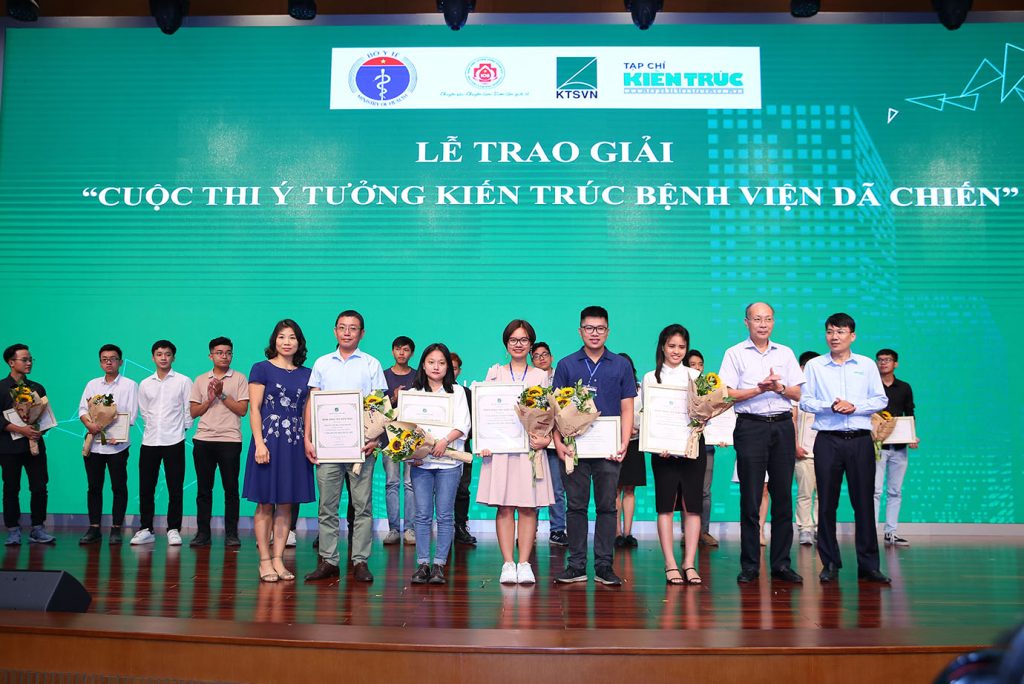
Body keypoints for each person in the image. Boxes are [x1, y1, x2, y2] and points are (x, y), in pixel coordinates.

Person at [800, 313, 891, 584]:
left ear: (852, 336)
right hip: (828, 439)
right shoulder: (815, 366)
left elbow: (881, 399)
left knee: (863, 503)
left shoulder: (866, 365)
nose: (834, 337)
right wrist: (829, 406)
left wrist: (855, 406)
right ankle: (829, 562)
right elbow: (805, 401)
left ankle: (869, 565)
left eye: (840, 332)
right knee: (827, 503)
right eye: (830, 331)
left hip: (860, 440)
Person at [719, 302, 804, 584]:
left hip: (782, 426)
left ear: (774, 322)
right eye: (757, 319)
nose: (763, 324)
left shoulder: (785, 353)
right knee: (751, 499)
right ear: (747, 322)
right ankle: (750, 565)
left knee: (783, 497)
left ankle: (781, 564)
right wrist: (759, 388)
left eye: (768, 319)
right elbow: (727, 393)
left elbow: (798, 393)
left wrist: (779, 388)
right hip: (750, 427)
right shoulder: (734, 353)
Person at [552, 306, 636, 586]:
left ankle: (604, 566)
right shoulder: (566, 364)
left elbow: (627, 407)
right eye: (589, 328)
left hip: (608, 448)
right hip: (574, 448)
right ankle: (576, 565)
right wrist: (558, 442)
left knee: (607, 507)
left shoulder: (621, 365)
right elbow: (556, 409)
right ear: (580, 331)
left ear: (608, 332)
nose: (594, 333)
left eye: (600, 328)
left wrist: (624, 442)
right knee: (575, 507)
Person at [303, 310, 386, 583]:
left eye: (353, 328)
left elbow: (380, 406)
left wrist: (375, 440)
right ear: (335, 331)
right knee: (327, 506)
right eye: (342, 327)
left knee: (362, 507)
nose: (347, 332)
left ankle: (360, 561)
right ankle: (328, 560)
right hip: (327, 448)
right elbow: (313, 402)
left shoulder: (371, 364)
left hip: (361, 448)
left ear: (362, 333)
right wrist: (308, 438)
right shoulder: (322, 363)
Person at [476, 321, 554, 584]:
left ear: (531, 344)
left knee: (529, 507)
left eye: (523, 340)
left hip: (530, 450)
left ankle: (525, 563)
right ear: (506, 343)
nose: (518, 344)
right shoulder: (495, 372)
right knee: (505, 506)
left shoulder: (540, 376)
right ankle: (508, 563)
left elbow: (549, 414)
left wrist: (544, 439)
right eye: (513, 339)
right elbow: (484, 411)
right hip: (501, 450)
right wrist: (483, 440)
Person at [243, 319, 315, 583]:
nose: (287, 342)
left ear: (299, 342)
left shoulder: (307, 374)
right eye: (282, 336)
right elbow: (254, 409)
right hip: (269, 443)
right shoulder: (261, 368)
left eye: (292, 337)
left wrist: (308, 440)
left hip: (294, 445)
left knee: (286, 505)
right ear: (274, 340)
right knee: (265, 504)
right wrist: (259, 443)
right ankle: (264, 561)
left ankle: (278, 559)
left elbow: (307, 412)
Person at [643, 325, 706, 585]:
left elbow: (705, 412)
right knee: (665, 506)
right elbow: (647, 415)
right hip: (663, 451)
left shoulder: (696, 376)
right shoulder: (650, 378)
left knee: (693, 507)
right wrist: (657, 441)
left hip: (692, 449)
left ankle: (689, 563)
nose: (676, 351)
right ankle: (670, 563)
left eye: (681, 347)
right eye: (672, 346)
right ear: (662, 347)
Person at [408, 343, 471, 585]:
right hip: (421, 463)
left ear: (448, 367)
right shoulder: (414, 393)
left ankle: (439, 565)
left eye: (442, 363)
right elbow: (406, 428)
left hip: (449, 463)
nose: (436, 367)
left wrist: (444, 441)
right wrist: (411, 452)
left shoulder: (457, 392)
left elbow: (463, 424)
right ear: (423, 365)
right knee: (422, 515)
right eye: (431, 362)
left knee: (445, 515)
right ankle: (423, 563)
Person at [189, 337, 249, 548]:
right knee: (204, 490)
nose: (224, 356)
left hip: (230, 440)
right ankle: (202, 534)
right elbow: (193, 412)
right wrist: (209, 398)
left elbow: (242, 410)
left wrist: (221, 394)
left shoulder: (239, 378)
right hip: (203, 440)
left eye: (228, 353)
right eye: (219, 353)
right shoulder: (200, 380)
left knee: (231, 490)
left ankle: (231, 534)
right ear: (211, 356)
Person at [131, 340, 192, 547]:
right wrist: (154, 428)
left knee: (175, 487)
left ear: (173, 357)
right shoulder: (145, 383)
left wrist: (181, 429)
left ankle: (173, 529)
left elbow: (188, 410)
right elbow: (144, 411)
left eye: (167, 354)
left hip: (174, 440)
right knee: (146, 487)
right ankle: (146, 528)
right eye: (159, 354)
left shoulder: (183, 381)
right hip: (150, 441)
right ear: (153, 357)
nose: (163, 357)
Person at [78, 344, 138, 545]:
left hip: (117, 446)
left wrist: (118, 435)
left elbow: (131, 415)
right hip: (95, 445)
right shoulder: (92, 384)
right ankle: (94, 528)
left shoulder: (129, 385)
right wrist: (89, 424)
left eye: (113, 359)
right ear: (100, 362)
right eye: (104, 359)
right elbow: (82, 410)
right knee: (94, 487)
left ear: (120, 362)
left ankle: (116, 528)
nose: (109, 362)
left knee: (118, 487)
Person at [1, 344, 55, 545]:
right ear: (11, 362)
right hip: (9, 448)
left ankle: (38, 528)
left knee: (39, 487)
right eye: (24, 359)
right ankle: (13, 530)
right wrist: (20, 429)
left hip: (35, 447)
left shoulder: (36, 388)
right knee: (11, 488)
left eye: (31, 359)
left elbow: (45, 416)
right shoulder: (1, 387)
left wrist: (41, 429)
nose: (29, 363)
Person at [874, 348, 917, 547]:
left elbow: (910, 413)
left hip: (899, 446)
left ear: (895, 364)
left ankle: (891, 532)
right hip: (877, 446)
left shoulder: (904, 387)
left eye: (888, 360)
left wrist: (912, 435)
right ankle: (870, 532)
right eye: (880, 360)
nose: (883, 363)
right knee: (875, 491)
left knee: (895, 491)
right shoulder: (872, 385)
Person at [682, 348, 719, 548]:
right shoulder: (679, 385)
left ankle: (703, 531)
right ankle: (686, 533)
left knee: (705, 491)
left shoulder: (709, 386)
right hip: (683, 446)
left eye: (700, 364)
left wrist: (723, 435)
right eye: (693, 364)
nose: (697, 368)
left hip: (707, 446)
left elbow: (720, 412)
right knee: (685, 490)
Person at [382, 335, 417, 546]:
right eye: (398, 349)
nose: (401, 353)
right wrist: (394, 398)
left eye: (405, 349)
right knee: (391, 483)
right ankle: (393, 529)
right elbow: (377, 410)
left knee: (411, 484)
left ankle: (411, 529)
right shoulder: (383, 376)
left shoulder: (418, 376)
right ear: (392, 351)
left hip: (412, 439)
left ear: (411, 353)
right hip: (389, 439)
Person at [533, 341, 567, 547]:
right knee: (533, 488)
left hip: (556, 442)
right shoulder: (530, 380)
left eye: (545, 354)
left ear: (551, 357)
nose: (541, 358)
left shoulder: (561, 378)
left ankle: (557, 530)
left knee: (557, 488)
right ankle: (530, 530)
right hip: (535, 441)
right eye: (536, 356)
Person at [614, 352, 644, 549]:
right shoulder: (610, 386)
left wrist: (636, 427)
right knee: (615, 489)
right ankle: (616, 533)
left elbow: (646, 413)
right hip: (614, 442)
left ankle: (628, 533)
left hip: (634, 442)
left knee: (630, 489)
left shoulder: (640, 389)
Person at [451, 352, 478, 546]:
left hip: (462, 447)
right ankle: (442, 527)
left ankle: (460, 526)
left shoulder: (466, 393)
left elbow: (474, 422)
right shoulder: (430, 392)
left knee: (462, 489)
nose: (450, 371)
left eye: (454, 368)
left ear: (459, 371)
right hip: (435, 448)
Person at [794, 350, 820, 546]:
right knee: (805, 493)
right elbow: (792, 420)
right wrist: (795, 445)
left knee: (824, 494)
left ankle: (820, 527)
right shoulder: (795, 393)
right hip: (804, 452)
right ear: (801, 368)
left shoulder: (825, 391)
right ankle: (805, 528)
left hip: (826, 451)